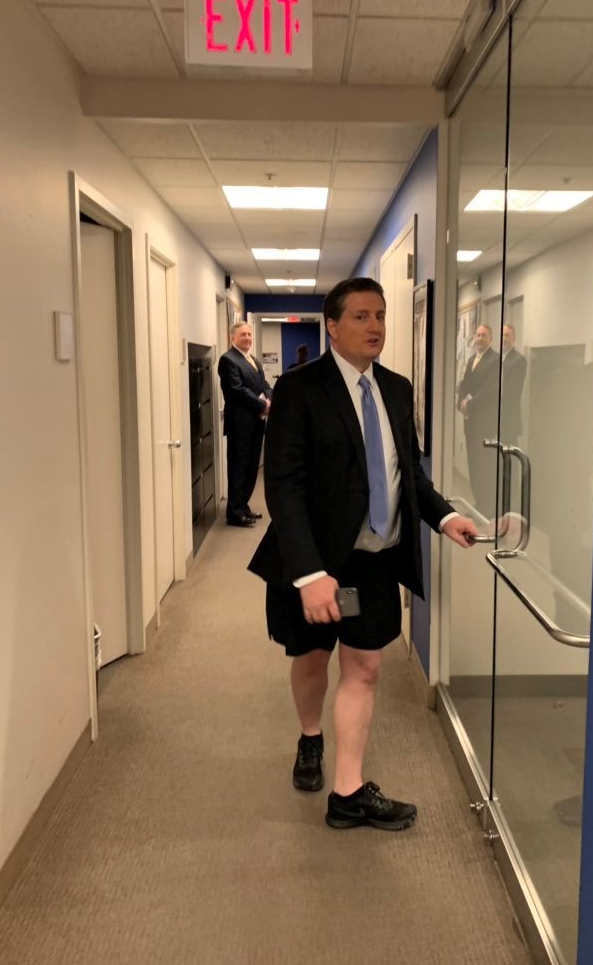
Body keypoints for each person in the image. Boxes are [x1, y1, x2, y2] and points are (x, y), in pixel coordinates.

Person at [248, 277, 479, 831]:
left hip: (375, 556)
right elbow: (283, 485)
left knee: (366, 667)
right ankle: (310, 738)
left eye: (380, 315)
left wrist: (445, 516)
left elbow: (407, 471)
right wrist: (309, 573)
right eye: (360, 316)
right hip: (313, 559)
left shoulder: (396, 389)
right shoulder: (300, 389)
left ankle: (348, 792)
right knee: (311, 658)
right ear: (332, 325)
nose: (375, 326)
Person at [217, 321, 272, 527]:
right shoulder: (228, 360)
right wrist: (262, 405)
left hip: (256, 423)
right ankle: (234, 513)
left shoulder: (254, 360)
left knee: (251, 467)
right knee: (238, 468)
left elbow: (265, 385)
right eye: (243, 335)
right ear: (233, 337)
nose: (247, 338)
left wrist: (269, 399)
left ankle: (243, 506)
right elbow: (237, 389)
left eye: (249, 334)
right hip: (240, 425)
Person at [457, 323, 499, 517]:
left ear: (490, 339)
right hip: (470, 422)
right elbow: (463, 385)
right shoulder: (472, 359)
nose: (480, 338)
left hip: (484, 424)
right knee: (473, 463)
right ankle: (479, 503)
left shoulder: (495, 360)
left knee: (484, 466)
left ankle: (487, 508)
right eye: (478, 335)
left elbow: (490, 390)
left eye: (484, 335)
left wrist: (470, 403)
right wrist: (461, 401)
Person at [500, 324, 527, 445]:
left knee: (508, 454)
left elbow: (512, 390)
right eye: (502, 335)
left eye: (507, 335)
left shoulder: (519, 360)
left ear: (514, 338)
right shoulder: (498, 359)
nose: (504, 339)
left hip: (508, 420)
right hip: (495, 419)